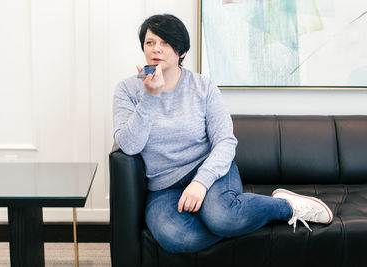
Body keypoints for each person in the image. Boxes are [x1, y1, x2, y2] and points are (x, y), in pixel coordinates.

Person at [112, 14, 333, 254]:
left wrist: (200, 182)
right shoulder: (128, 89)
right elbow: (129, 145)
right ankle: (241, 215)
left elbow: (226, 141)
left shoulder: (203, 87)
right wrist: (151, 98)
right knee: (179, 238)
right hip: (164, 188)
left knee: (222, 218)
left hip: (212, 172)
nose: (156, 49)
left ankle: (286, 206)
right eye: (150, 42)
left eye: (165, 43)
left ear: (181, 51)